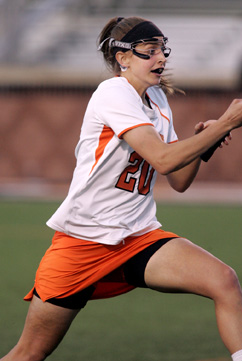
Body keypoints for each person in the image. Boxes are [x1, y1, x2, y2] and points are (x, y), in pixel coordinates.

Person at [2, 16, 242, 361]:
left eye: (162, 50)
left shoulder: (157, 98)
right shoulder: (113, 93)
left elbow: (179, 180)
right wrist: (228, 123)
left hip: (136, 236)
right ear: (122, 58)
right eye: (149, 51)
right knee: (30, 353)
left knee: (224, 281)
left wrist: (209, 140)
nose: (160, 58)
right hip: (83, 242)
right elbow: (162, 159)